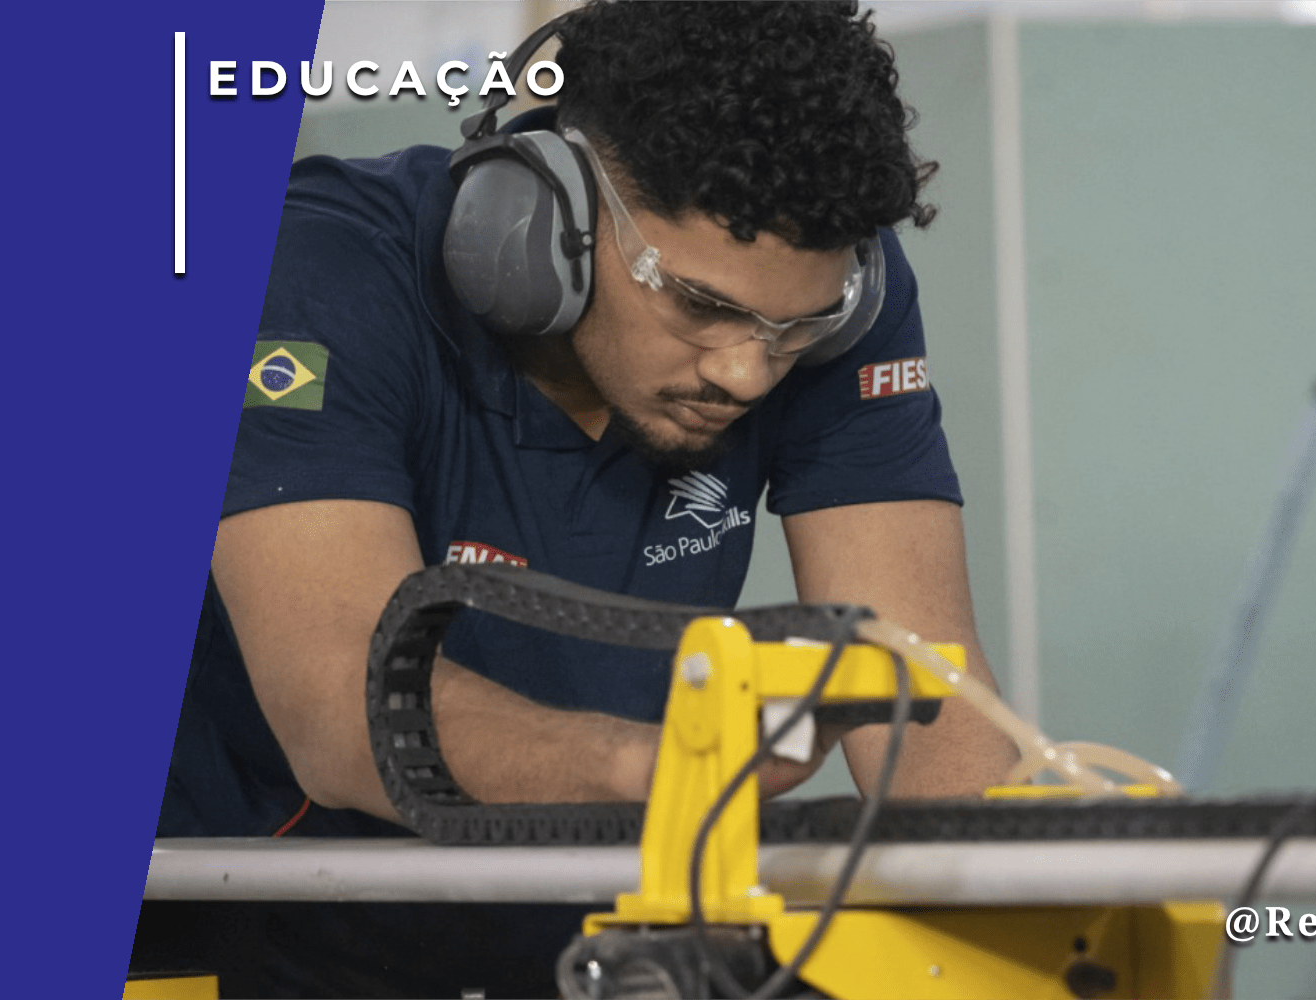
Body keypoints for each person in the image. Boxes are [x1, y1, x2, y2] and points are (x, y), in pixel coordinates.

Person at [136, 2, 1018, 995]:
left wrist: (1048, 905)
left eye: (792, 329)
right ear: (537, 220)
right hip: (251, 923)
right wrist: (660, 770)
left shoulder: (809, 305)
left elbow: (926, 718)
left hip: (583, 935)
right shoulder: (315, 276)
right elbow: (339, 711)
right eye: (699, 305)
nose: (746, 370)